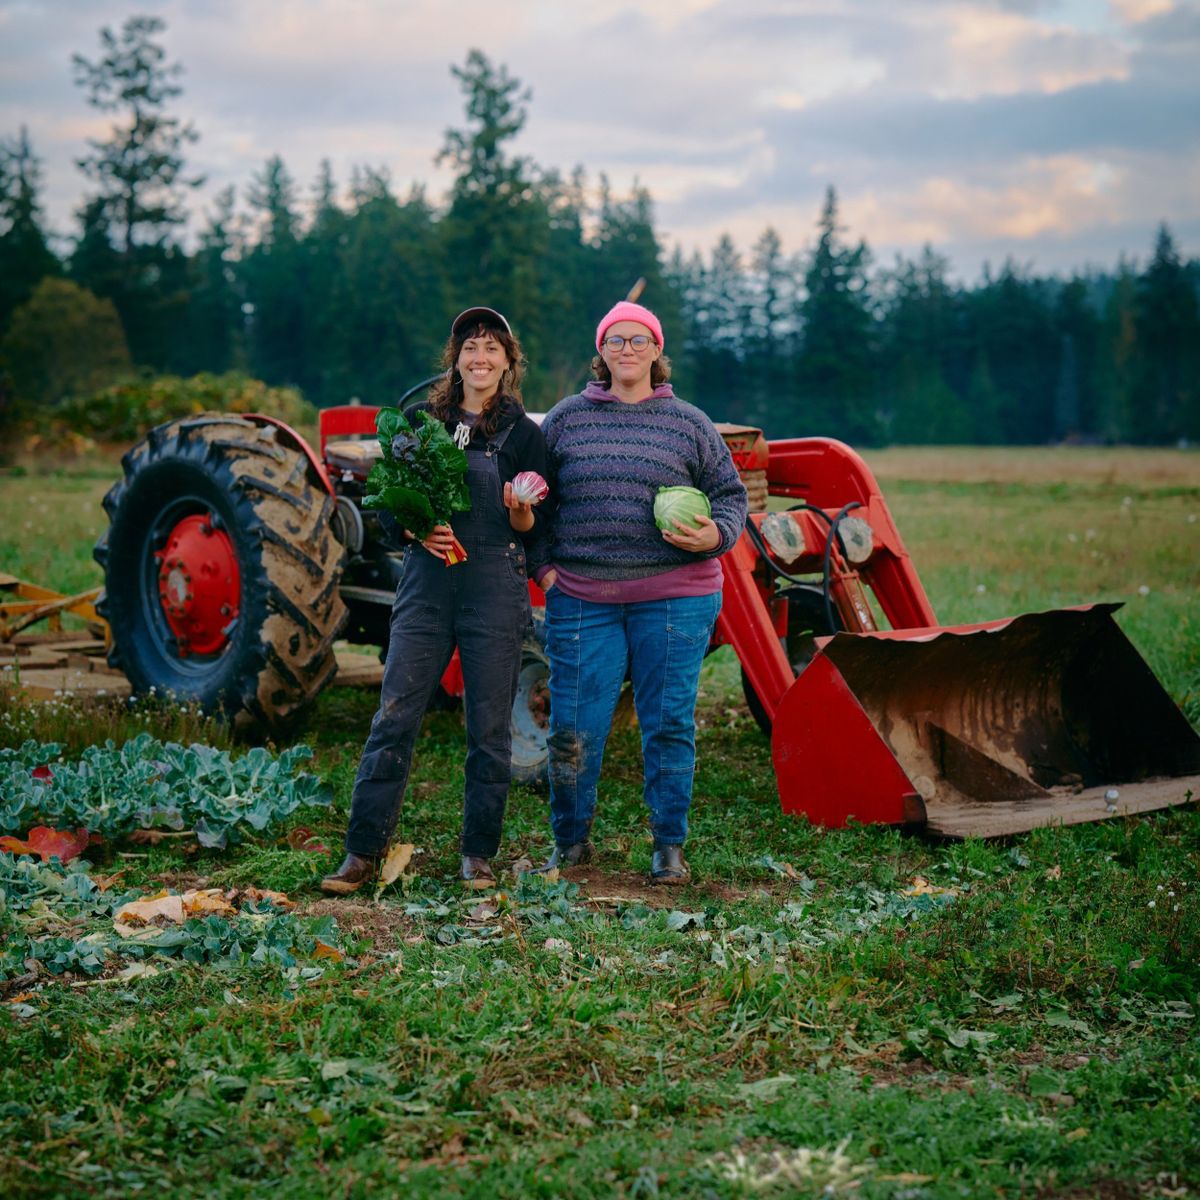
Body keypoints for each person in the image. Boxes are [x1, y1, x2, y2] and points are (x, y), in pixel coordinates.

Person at [322, 307, 547, 893]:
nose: (481, 357)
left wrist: (520, 509)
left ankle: (478, 854)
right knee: (395, 715)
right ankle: (363, 852)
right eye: (471, 346)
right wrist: (417, 527)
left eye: (492, 347)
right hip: (426, 583)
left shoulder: (525, 434)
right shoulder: (421, 422)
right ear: (455, 358)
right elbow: (389, 500)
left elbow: (536, 525)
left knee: (490, 727)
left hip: (493, 584)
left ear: (508, 361)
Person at [531, 301, 748, 883]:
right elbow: (533, 499)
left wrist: (717, 531)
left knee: (668, 722)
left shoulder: (689, 422)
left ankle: (668, 846)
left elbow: (730, 495)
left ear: (656, 350)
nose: (626, 350)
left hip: (676, 596)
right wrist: (546, 570)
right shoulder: (565, 420)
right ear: (600, 353)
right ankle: (571, 842)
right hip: (581, 596)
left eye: (638, 340)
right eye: (615, 340)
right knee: (574, 727)